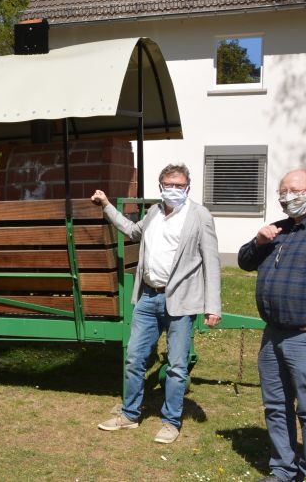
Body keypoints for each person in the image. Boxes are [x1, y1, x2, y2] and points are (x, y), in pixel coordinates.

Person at [91, 163, 222, 444]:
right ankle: (129, 415)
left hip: (182, 301)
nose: (173, 190)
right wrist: (107, 206)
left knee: (176, 366)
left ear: (188, 187)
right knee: (135, 359)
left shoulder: (200, 216)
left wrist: (213, 306)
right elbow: (132, 231)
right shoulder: (154, 212)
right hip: (148, 297)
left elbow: (211, 261)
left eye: (179, 185)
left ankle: (171, 422)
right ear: (160, 186)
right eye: (168, 184)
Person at [238, 168, 306, 482]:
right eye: (283, 191)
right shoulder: (279, 229)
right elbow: (245, 262)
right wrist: (259, 241)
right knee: (276, 405)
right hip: (272, 335)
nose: (288, 197)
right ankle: (283, 470)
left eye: (295, 190)